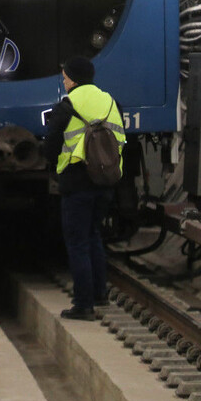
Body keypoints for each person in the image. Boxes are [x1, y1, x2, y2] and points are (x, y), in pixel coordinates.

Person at [42, 56, 125, 320]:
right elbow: (121, 137)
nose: (64, 82)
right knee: (94, 236)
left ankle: (83, 304)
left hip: (77, 181)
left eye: (65, 77)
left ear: (74, 79)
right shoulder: (110, 102)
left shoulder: (68, 105)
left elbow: (51, 142)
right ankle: (100, 294)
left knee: (77, 243)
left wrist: (56, 165)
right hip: (105, 179)